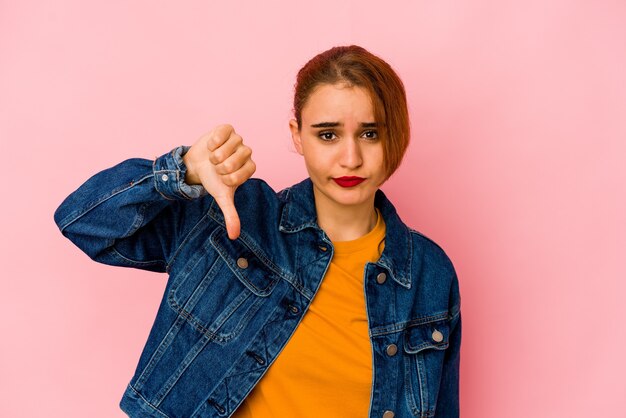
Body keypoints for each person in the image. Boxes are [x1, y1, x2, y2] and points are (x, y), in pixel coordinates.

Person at [54, 45, 461, 418]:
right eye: (328, 134)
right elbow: (82, 223)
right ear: (297, 136)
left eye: (370, 133)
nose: (350, 157)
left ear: (396, 136)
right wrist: (183, 172)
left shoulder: (429, 273)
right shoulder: (236, 217)